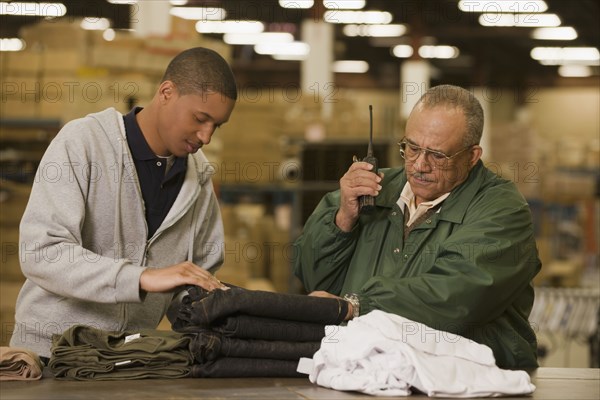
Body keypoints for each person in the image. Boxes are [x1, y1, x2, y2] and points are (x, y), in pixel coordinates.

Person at [10, 47, 237, 359]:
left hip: (128, 361)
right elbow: (41, 253)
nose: (206, 136)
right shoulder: (82, 143)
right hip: (51, 355)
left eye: (217, 125)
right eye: (200, 118)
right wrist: (141, 277)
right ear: (167, 92)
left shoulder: (198, 181)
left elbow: (195, 282)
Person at [293, 84, 541, 369]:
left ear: (472, 156)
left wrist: (357, 305)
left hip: (471, 381)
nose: (419, 165)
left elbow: (457, 296)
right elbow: (313, 280)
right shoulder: (371, 191)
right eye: (411, 148)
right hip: (372, 372)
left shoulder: (501, 209)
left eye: (437, 155)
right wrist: (342, 221)